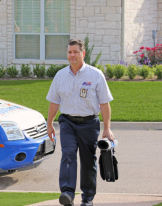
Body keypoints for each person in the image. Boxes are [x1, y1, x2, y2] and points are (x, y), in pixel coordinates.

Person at [46, 39, 114, 206]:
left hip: (89, 123)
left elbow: (105, 104)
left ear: (83, 54)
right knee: (68, 155)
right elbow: (54, 102)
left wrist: (107, 129)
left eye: (75, 52)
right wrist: (49, 124)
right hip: (67, 122)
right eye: (69, 52)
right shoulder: (60, 75)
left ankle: (87, 198)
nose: (72, 55)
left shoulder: (96, 75)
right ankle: (67, 193)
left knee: (88, 160)